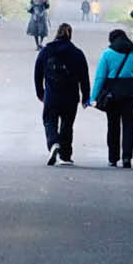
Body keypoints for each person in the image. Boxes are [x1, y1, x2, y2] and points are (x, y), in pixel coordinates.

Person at [34, 22, 90, 165]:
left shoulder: (46, 51)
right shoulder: (77, 53)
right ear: (70, 35)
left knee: (49, 120)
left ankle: (53, 143)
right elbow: (84, 76)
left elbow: (38, 73)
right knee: (67, 124)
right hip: (71, 96)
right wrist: (85, 97)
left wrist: (40, 93)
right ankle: (65, 155)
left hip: (52, 94)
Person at [90, 27, 133, 168]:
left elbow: (100, 77)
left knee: (113, 124)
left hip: (113, 95)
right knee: (128, 124)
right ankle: (127, 158)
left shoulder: (108, 54)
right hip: (130, 95)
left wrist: (93, 97)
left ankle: (113, 158)